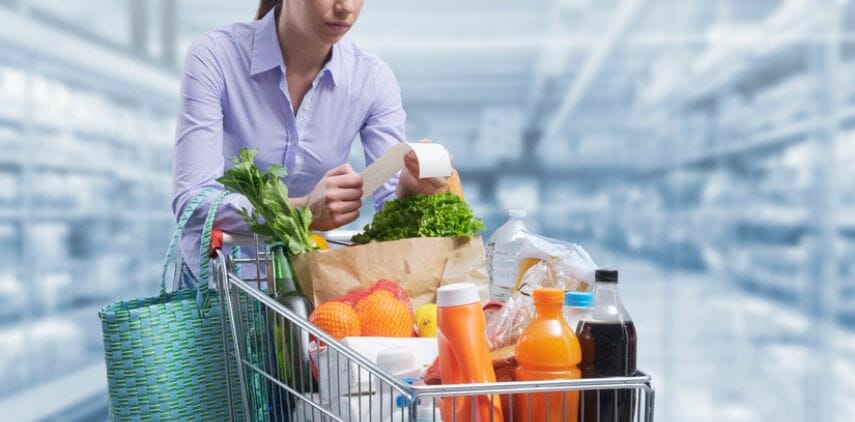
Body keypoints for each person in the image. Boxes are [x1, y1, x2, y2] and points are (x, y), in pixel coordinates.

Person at [172, 0, 449, 284]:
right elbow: (192, 203)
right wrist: (303, 209)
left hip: (311, 290)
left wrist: (410, 189)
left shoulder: (373, 80)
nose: (345, 8)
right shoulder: (216, 56)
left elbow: (391, 207)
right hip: (220, 292)